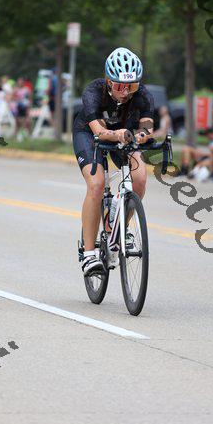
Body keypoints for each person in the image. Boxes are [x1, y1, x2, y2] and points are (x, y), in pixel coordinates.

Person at [73, 47, 154, 276]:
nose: (125, 92)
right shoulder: (93, 92)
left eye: (131, 86)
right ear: (109, 81)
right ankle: (89, 254)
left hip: (124, 134)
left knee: (139, 179)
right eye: (120, 86)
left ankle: (121, 229)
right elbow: (99, 132)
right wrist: (118, 134)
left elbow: (146, 127)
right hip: (89, 134)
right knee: (97, 184)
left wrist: (140, 136)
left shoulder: (144, 95)